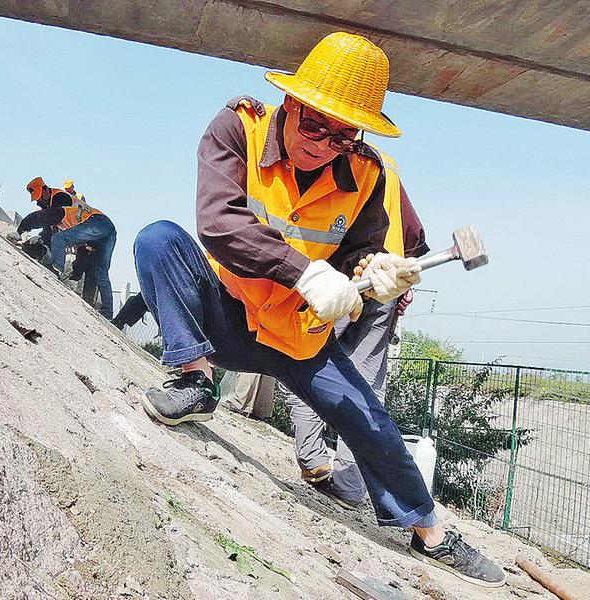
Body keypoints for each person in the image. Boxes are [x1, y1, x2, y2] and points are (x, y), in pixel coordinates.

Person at [133, 32, 505, 587]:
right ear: (291, 103)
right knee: (158, 240)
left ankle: (430, 532)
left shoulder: (366, 173)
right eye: (315, 126)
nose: (327, 143)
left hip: (295, 333)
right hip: (225, 309)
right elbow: (218, 222)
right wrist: (307, 273)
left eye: (344, 133)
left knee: (367, 417)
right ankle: (194, 378)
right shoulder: (238, 127)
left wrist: (376, 273)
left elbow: (362, 252)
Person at [285, 168, 423, 508]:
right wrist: (406, 281)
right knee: (366, 384)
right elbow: (414, 235)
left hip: (340, 281)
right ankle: (348, 487)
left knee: (310, 362)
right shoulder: (389, 168)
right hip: (385, 284)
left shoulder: (346, 162)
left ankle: (314, 461)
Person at [18, 177, 117, 319]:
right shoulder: (58, 209)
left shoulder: (60, 199)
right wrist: (77, 271)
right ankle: (107, 313)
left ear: (45, 190)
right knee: (99, 272)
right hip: (107, 228)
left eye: (40, 198)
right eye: (37, 200)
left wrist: (22, 229)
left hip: (95, 222)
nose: (39, 202)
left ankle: (55, 271)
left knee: (59, 239)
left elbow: (43, 218)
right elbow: (53, 231)